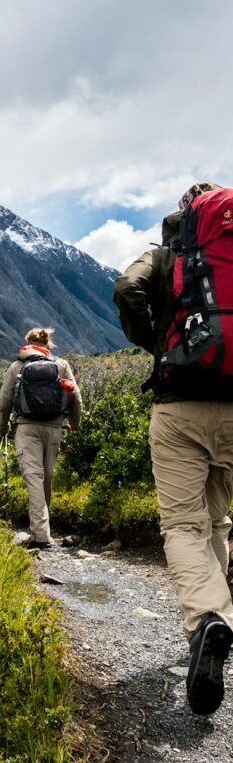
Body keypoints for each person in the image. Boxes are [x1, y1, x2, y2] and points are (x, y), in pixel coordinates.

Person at [114, 182, 233, 716]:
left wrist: (160, 342)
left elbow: (126, 290)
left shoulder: (167, 255)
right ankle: (222, 615)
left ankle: (209, 620)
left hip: (179, 402)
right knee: (219, 520)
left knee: (185, 526)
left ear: (185, 216)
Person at [0, 327, 81, 550]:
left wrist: (3, 426)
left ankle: (41, 535)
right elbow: (76, 396)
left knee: (34, 477)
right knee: (47, 477)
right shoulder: (61, 365)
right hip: (54, 428)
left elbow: (4, 402)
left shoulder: (17, 366)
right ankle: (43, 529)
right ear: (48, 344)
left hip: (27, 428)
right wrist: (75, 423)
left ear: (27, 343)